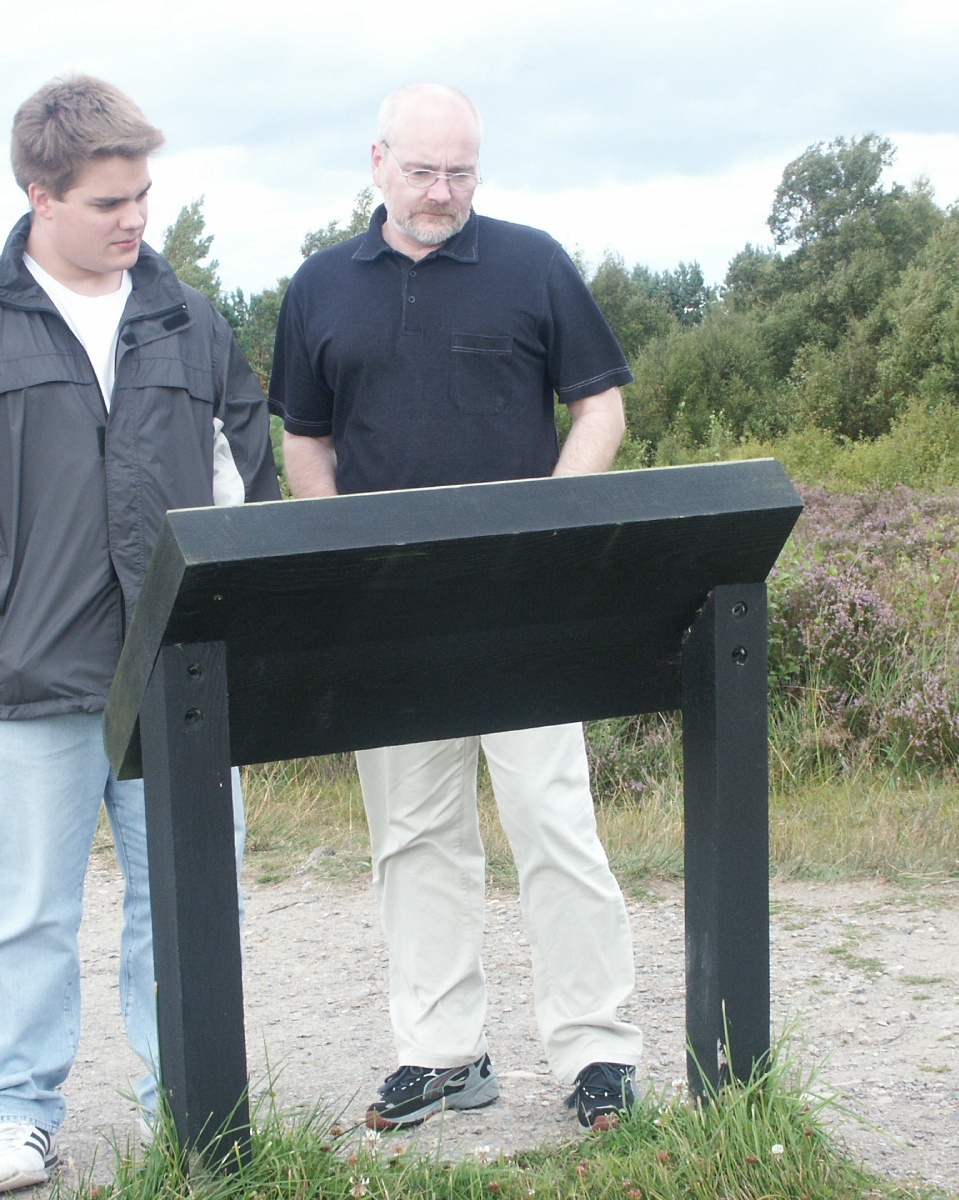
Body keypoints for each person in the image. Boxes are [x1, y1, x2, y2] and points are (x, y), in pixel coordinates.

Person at [0, 75, 278, 1195]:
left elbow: (242, 469)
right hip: (23, 678)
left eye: (143, 194)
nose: (135, 218)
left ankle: (187, 1107)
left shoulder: (187, 318)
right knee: (19, 914)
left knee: (190, 903)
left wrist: (221, 611)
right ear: (40, 193)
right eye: (110, 200)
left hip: (176, 672)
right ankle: (14, 1116)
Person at [268, 81, 642, 1133]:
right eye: (424, 171)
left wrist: (554, 533)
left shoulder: (532, 263)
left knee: (554, 826)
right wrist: (343, 556)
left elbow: (599, 405)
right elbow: (303, 437)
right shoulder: (318, 286)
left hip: (524, 608)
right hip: (389, 613)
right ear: (377, 160)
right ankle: (440, 1054)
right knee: (414, 839)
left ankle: (598, 1055)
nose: (442, 192)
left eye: (461, 172)